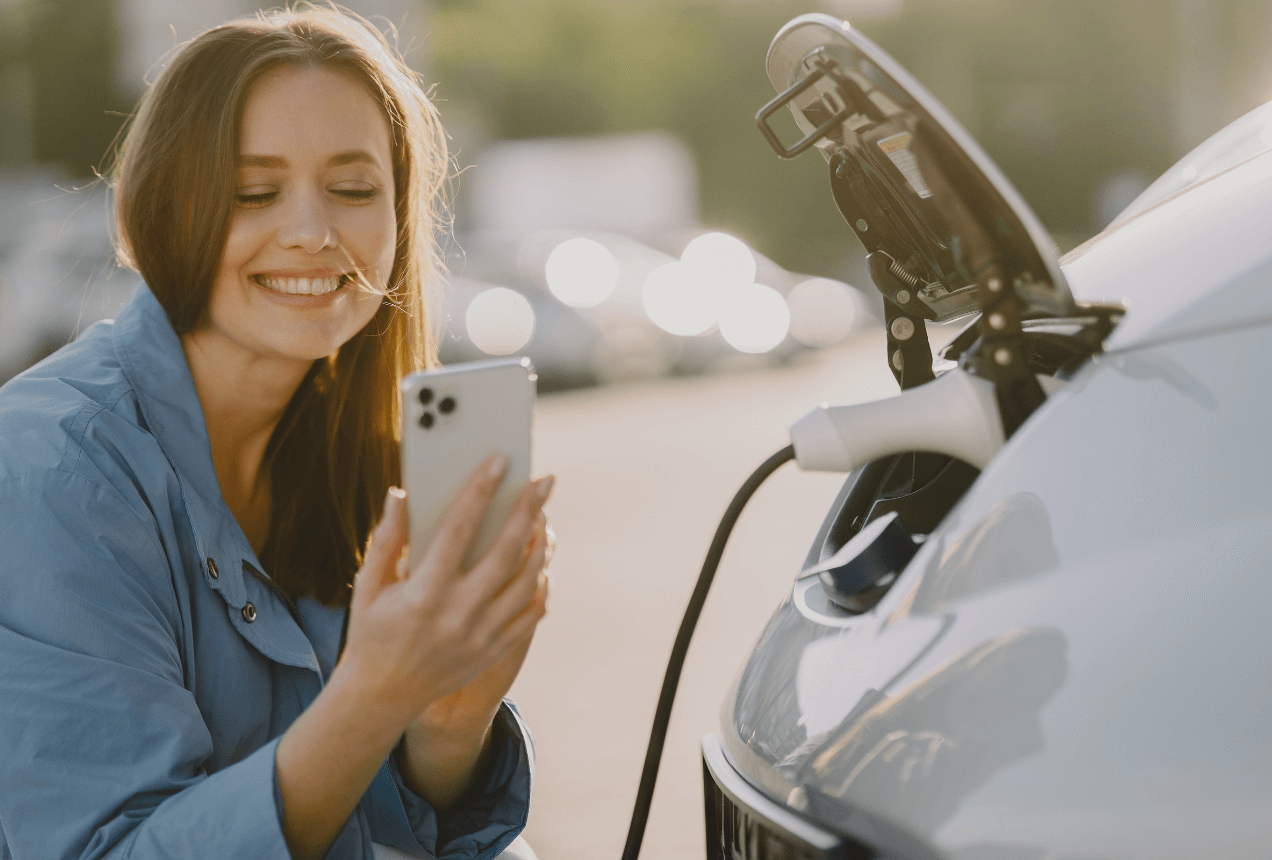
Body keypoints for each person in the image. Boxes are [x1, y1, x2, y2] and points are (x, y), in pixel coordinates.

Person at [0, 6, 552, 860]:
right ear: (156, 210)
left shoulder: (359, 443)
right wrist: (371, 697)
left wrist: (448, 718)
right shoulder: (51, 468)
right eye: (253, 191)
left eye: (355, 188)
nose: (311, 230)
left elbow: (384, 826)